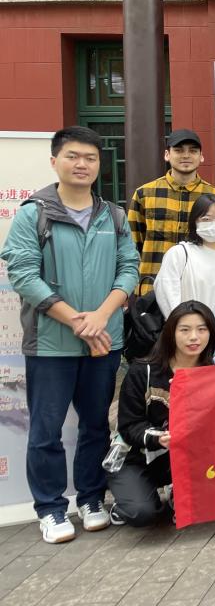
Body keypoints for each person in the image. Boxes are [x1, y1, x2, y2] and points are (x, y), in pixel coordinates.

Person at [0, 126, 139, 543]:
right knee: (47, 430)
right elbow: (23, 274)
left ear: (99, 164)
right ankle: (50, 508)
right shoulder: (33, 214)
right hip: (51, 344)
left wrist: (102, 316)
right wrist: (78, 322)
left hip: (104, 342)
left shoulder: (113, 216)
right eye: (73, 156)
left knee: (96, 425)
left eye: (90, 158)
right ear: (54, 161)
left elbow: (128, 269)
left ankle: (91, 499)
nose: (82, 164)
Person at [106, 300, 215, 527]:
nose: (194, 337)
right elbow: (129, 426)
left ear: (211, 333)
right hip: (137, 457)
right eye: (184, 330)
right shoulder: (143, 371)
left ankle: (180, 491)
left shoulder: (213, 373)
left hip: (185, 458)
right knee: (142, 513)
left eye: (202, 329)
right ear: (170, 332)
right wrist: (158, 438)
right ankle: (126, 500)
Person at [127, 129, 215, 295]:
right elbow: (132, 246)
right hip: (152, 290)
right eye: (178, 150)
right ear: (167, 155)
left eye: (193, 151)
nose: (186, 156)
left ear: (201, 156)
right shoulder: (145, 194)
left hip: (199, 290)